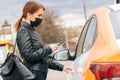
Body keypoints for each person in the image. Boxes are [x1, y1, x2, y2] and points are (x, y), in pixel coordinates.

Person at [14, 1, 72, 80]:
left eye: (41, 15)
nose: (41, 18)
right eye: (39, 15)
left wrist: (62, 67)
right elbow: (29, 56)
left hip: (38, 75)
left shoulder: (31, 30)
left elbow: (42, 59)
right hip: (34, 76)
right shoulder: (23, 31)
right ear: (29, 15)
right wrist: (48, 49)